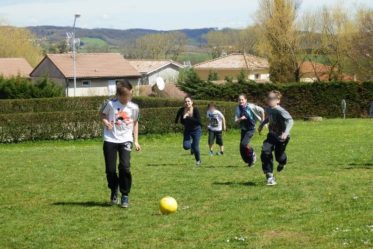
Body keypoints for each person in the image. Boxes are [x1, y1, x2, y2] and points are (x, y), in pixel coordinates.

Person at [100, 80, 141, 208]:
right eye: (124, 96)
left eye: (129, 95)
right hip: (110, 139)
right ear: (118, 95)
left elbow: (135, 122)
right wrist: (106, 123)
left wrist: (136, 141)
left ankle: (124, 195)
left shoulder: (134, 107)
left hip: (126, 140)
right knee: (111, 170)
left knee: (124, 167)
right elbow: (102, 114)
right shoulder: (111, 104)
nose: (126, 98)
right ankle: (114, 190)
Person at [258, 90, 294, 186]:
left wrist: (286, 133)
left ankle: (283, 162)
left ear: (278, 100)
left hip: (281, 138)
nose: (269, 100)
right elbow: (269, 117)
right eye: (268, 98)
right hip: (271, 135)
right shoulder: (269, 109)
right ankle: (269, 176)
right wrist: (262, 124)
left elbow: (290, 121)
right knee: (265, 151)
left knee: (279, 156)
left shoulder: (280, 110)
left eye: (272, 98)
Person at [235, 94, 265, 167]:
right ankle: (248, 161)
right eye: (239, 100)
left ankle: (252, 154)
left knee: (244, 144)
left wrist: (262, 122)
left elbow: (262, 110)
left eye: (242, 99)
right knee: (242, 148)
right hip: (243, 129)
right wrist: (240, 119)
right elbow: (236, 121)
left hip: (251, 129)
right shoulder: (238, 108)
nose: (241, 101)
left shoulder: (251, 106)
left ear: (246, 100)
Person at [175, 96, 202, 166]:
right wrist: (183, 118)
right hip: (187, 130)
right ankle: (192, 146)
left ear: (192, 102)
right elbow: (180, 121)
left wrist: (188, 117)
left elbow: (198, 122)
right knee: (186, 146)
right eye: (185, 102)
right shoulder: (182, 110)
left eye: (188, 101)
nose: (187, 103)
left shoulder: (195, 110)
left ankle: (198, 160)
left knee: (196, 147)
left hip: (196, 130)